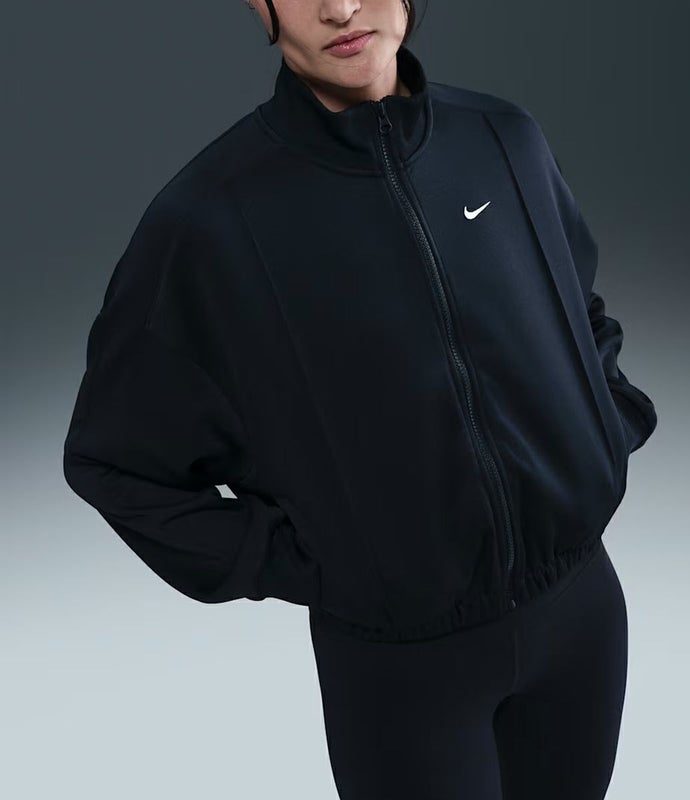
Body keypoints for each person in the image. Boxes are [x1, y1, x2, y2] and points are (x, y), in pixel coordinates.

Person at [62, 1, 658, 797]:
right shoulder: (208, 220)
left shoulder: (503, 139)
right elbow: (113, 462)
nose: (339, 8)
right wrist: (301, 560)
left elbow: (578, 309)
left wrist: (604, 430)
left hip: (580, 618)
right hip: (404, 674)